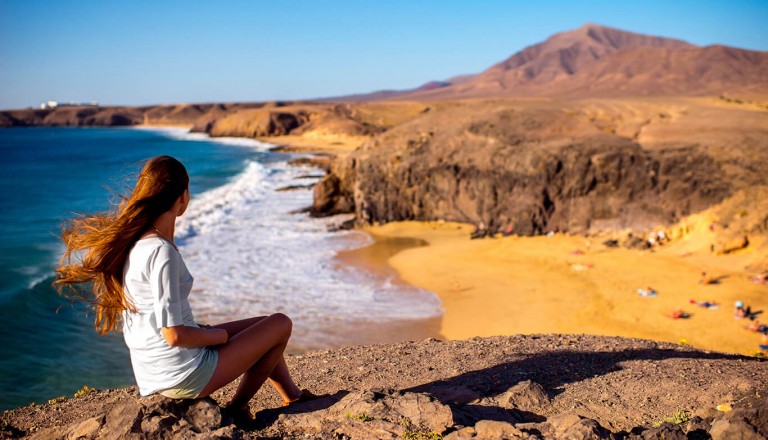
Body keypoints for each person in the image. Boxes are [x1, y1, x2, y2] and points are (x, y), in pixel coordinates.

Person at [55, 156, 318, 420]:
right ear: (182, 197)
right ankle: (237, 408)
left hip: (155, 370)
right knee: (281, 323)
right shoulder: (160, 252)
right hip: (181, 373)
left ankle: (293, 396)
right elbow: (174, 335)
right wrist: (218, 337)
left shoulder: (138, 243)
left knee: (264, 326)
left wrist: (205, 332)